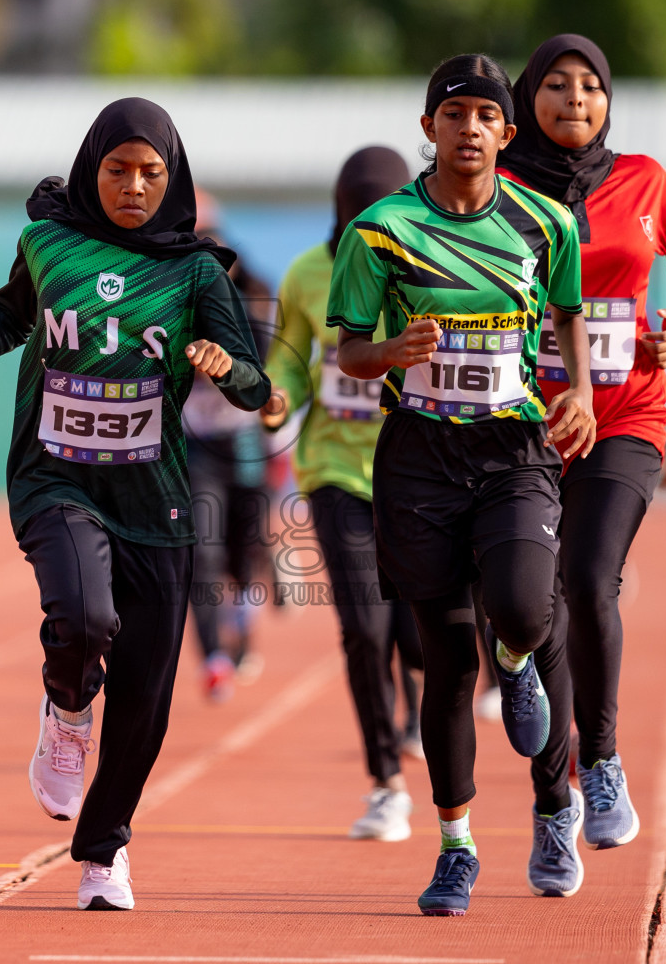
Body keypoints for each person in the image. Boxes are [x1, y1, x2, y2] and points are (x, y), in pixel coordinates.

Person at [0, 98, 278, 912]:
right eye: (118, 170)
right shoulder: (48, 243)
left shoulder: (197, 273)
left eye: (152, 173)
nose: (135, 186)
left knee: (146, 696)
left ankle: (104, 854)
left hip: (156, 499)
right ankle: (68, 705)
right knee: (82, 614)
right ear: (91, 171)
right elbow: (13, 314)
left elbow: (257, 387)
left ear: (172, 179)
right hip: (57, 478)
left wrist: (225, 366)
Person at [327, 53, 595, 916]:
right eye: (455, 114)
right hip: (419, 459)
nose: (470, 128)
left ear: (506, 133)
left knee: (522, 607)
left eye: (486, 115)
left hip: (513, 451)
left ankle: (521, 683)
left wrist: (581, 392)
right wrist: (392, 354)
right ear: (429, 128)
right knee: (443, 661)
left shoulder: (547, 223)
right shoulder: (380, 230)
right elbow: (349, 351)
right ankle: (456, 847)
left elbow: (565, 317)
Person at [497, 34, 666, 896]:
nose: (575, 101)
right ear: (527, 98)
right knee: (531, 607)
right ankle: (553, 810)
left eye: (591, 88)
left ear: (609, 102)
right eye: (556, 86)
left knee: (588, 583)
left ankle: (600, 763)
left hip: (626, 413)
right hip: (521, 423)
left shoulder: (646, 182)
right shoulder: (499, 189)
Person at [261, 145, 426, 841]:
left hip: (420, 472)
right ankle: (386, 782)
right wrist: (277, 398)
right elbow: (292, 363)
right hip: (334, 470)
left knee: (417, 639)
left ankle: (421, 699)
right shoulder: (307, 275)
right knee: (363, 628)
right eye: (353, 212)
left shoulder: (425, 269)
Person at [184, 192, 275, 700]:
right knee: (202, 551)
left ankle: (242, 629)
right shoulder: (166, 287)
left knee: (247, 552)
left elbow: (270, 371)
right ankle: (214, 655)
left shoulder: (252, 286)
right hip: (194, 443)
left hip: (243, 441)